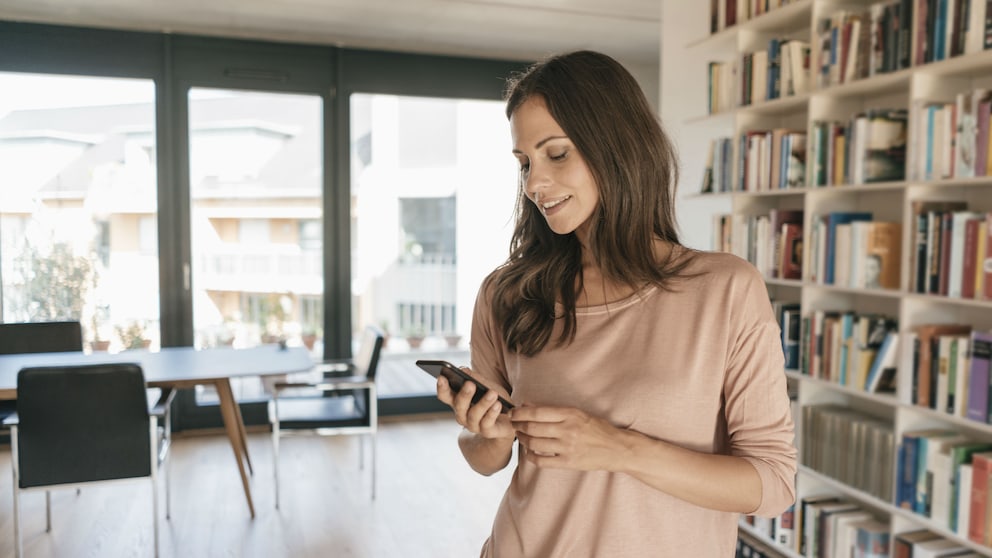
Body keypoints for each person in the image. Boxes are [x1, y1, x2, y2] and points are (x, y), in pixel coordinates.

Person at [435, 50, 797, 557]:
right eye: (524, 163)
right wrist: (489, 436)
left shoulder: (724, 289)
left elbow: (773, 484)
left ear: (618, 148)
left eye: (556, 154)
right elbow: (486, 459)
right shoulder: (507, 292)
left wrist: (619, 448)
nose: (534, 184)